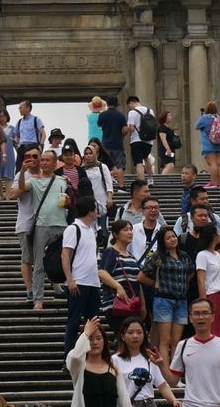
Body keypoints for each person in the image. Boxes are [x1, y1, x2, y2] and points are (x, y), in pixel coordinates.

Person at [161, 298, 220, 407]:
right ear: (190, 318)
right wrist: (161, 365)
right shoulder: (183, 345)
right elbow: (173, 382)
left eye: (205, 313)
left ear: (213, 317)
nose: (201, 317)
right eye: (196, 314)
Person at [10, 150, 67, 310]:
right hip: (35, 224)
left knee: (62, 259)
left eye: (43, 159)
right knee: (35, 261)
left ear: (55, 163)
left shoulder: (62, 181)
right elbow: (16, 190)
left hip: (60, 223)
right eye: (38, 159)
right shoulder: (33, 179)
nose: (39, 161)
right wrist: (22, 170)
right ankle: (36, 297)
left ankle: (62, 288)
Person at [139, 227, 192, 369]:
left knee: (176, 340)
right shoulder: (158, 256)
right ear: (163, 241)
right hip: (163, 300)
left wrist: (183, 285)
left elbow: (190, 272)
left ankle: (174, 373)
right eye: (168, 238)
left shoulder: (184, 256)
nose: (172, 239)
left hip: (181, 300)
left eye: (173, 236)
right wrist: (158, 285)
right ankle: (163, 372)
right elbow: (142, 276)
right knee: (165, 340)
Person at [63, 198, 104, 355]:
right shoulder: (74, 229)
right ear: (90, 211)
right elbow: (65, 255)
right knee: (74, 321)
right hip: (78, 281)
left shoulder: (90, 229)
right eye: (95, 209)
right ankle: (69, 356)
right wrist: (70, 280)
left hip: (93, 282)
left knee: (93, 321)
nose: (97, 212)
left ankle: (91, 354)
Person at [113, 317, 180, 407]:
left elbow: (162, 385)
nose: (135, 336)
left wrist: (173, 400)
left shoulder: (151, 358)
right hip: (128, 405)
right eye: (130, 332)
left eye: (139, 332)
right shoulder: (115, 359)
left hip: (149, 405)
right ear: (122, 336)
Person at [65, 317, 130, 407]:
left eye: (99, 338)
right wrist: (86, 333)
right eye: (90, 339)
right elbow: (75, 356)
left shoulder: (113, 366)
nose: (95, 342)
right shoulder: (79, 366)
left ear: (104, 340)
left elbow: (124, 401)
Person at [97, 220, 144, 324]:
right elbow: (102, 273)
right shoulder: (111, 252)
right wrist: (119, 287)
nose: (130, 232)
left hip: (132, 305)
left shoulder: (132, 257)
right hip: (116, 304)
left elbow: (137, 282)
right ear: (115, 234)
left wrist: (143, 304)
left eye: (131, 230)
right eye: (125, 230)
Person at [10, 148, 40, 301]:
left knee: (47, 256)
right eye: (29, 156)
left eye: (36, 156)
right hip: (26, 223)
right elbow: (13, 194)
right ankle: (29, 289)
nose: (32, 159)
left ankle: (55, 284)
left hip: (45, 223)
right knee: (27, 257)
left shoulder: (47, 174)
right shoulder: (21, 175)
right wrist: (22, 172)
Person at [193, 225, 220, 337]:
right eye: (218, 233)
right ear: (213, 236)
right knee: (214, 328)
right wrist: (204, 302)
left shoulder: (217, 254)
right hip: (212, 295)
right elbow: (200, 279)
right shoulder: (202, 255)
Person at [82, 144, 115, 230]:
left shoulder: (102, 166)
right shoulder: (82, 169)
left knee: (102, 227)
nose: (88, 156)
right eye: (86, 154)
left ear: (95, 154)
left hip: (101, 202)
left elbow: (108, 183)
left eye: (90, 153)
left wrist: (109, 197)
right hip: (88, 202)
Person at [95, 99, 127, 185]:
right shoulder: (120, 115)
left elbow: (99, 125)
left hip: (105, 144)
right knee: (119, 166)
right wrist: (121, 136)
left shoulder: (102, 115)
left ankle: (106, 185)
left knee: (105, 166)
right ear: (116, 105)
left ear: (107, 104)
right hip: (118, 144)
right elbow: (125, 129)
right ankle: (121, 186)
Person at [125, 97, 154, 183]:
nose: (130, 107)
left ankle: (141, 182)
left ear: (131, 103)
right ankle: (150, 179)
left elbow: (132, 128)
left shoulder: (132, 112)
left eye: (129, 105)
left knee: (139, 162)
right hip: (148, 140)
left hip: (136, 140)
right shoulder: (150, 111)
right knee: (147, 158)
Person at [194, 103, 220, 189]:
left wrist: (201, 116)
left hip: (208, 143)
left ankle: (213, 182)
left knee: (212, 163)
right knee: (218, 164)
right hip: (218, 144)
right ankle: (218, 182)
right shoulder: (218, 117)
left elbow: (196, 126)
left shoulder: (205, 118)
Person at [156, 111, 180, 176]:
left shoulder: (167, 128)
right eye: (169, 115)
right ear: (164, 117)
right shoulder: (162, 127)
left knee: (169, 164)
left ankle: (164, 180)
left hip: (170, 148)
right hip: (165, 149)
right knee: (170, 164)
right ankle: (161, 180)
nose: (171, 117)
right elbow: (163, 139)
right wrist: (168, 149)